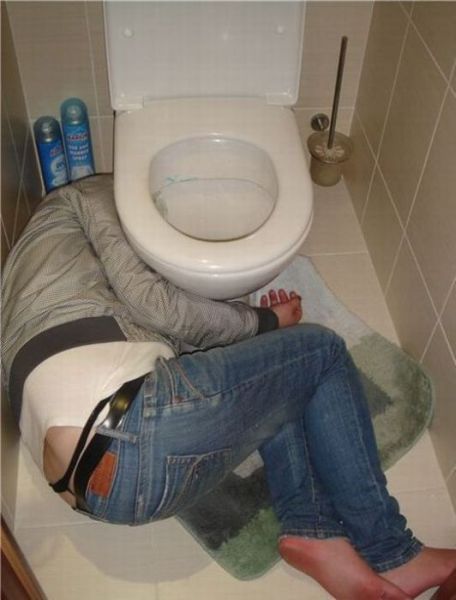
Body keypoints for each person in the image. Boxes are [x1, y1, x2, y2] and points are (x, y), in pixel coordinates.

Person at [2, 175, 455, 599]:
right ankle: (392, 550)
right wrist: (265, 321)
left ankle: (312, 528)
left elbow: (148, 329)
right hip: (131, 429)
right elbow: (156, 305)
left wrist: (260, 346)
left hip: (104, 497)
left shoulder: (31, 277)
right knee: (321, 352)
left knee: (278, 382)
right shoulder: (87, 195)